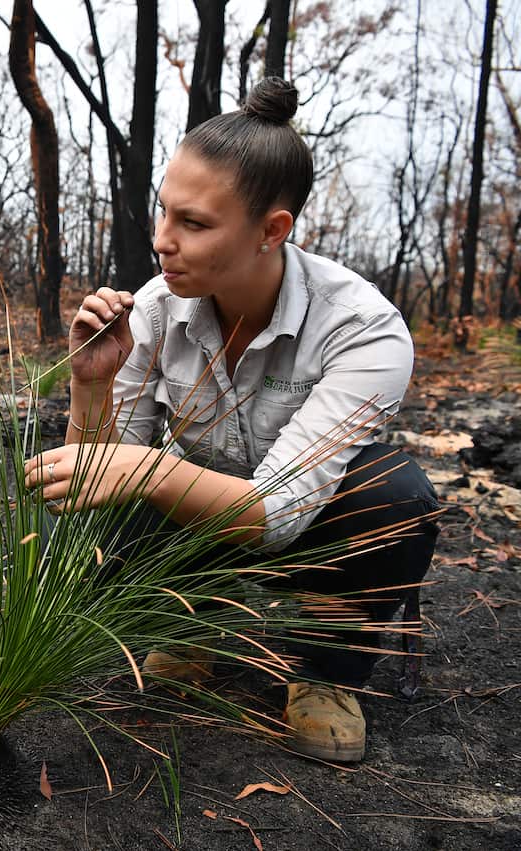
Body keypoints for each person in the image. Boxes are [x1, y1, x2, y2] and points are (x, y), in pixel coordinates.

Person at [24, 78, 439, 763]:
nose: (162, 241)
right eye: (163, 214)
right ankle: (190, 618)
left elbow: (278, 513)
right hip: (202, 529)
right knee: (116, 492)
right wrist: (88, 387)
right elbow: (94, 489)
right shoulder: (156, 309)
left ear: (272, 230)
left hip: (306, 530)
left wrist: (151, 467)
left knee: (395, 494)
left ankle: (328, 670)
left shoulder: (362, 329)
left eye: (194, 223)